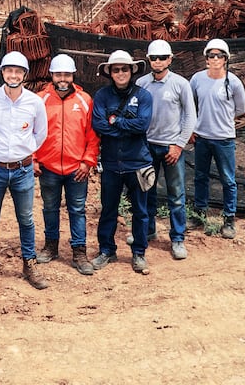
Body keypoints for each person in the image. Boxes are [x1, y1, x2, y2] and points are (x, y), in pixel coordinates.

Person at [0, 51, 49, 293]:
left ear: (24, 75)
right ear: (2, 72)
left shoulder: (34, 102)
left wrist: (23, 151)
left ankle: (30, 263)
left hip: (23, 169)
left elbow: (40, 134)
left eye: (18, 71)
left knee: (26, 219)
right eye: (9, 70)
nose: (13, 75)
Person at [35, 53, 100, 275]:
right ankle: (50, 246)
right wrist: (34, 159)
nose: (63, 78)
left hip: (77, 169)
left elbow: (93, 135)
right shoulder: (40, 100)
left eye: (67, 74)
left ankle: (79, 251)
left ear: (73, 75)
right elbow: (31, 132)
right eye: (58, 74)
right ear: (51, 75)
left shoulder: (85, 101)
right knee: (50, 208)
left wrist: (87, 162)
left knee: (77, 209)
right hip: (48, 167)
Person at [90, 50, 155, 274]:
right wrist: (124, 126)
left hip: (138, 163)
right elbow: (99, 125)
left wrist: (115, 122)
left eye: (124, 69)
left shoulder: (144, 96)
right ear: (110, 72)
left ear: (131, 71)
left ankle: (139, 252)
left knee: (140, 210)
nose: (120, 73)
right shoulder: (101, 96)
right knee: (109, 209)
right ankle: (106, 250)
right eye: (116, 69)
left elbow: (142, 126)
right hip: (110, 163)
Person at [134, 39, 198, 260]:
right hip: (147, 147)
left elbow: (190, 116)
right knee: (146, 191)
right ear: (148, 59)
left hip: (171, 148)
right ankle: (147, 230)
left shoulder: (181, 84)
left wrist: (179, 145)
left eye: (162, 58)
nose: (158, 61)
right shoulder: (142, 84)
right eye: (154, 58)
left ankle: (177, 238)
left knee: (176, 194)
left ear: (170, 59)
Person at [189, 38, 245, 240]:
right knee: (200, 177)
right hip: (202, 137)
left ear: (225, 59)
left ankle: (229, 218)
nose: (215, 59)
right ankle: (199, 213)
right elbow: (191, 104)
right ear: (206, 58)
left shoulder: (233, 82)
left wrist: (223, 121)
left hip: (224, 139)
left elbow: (240, 108)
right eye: (211, 55)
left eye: (219, 55)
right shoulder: (197, 79)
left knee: (228, 179)